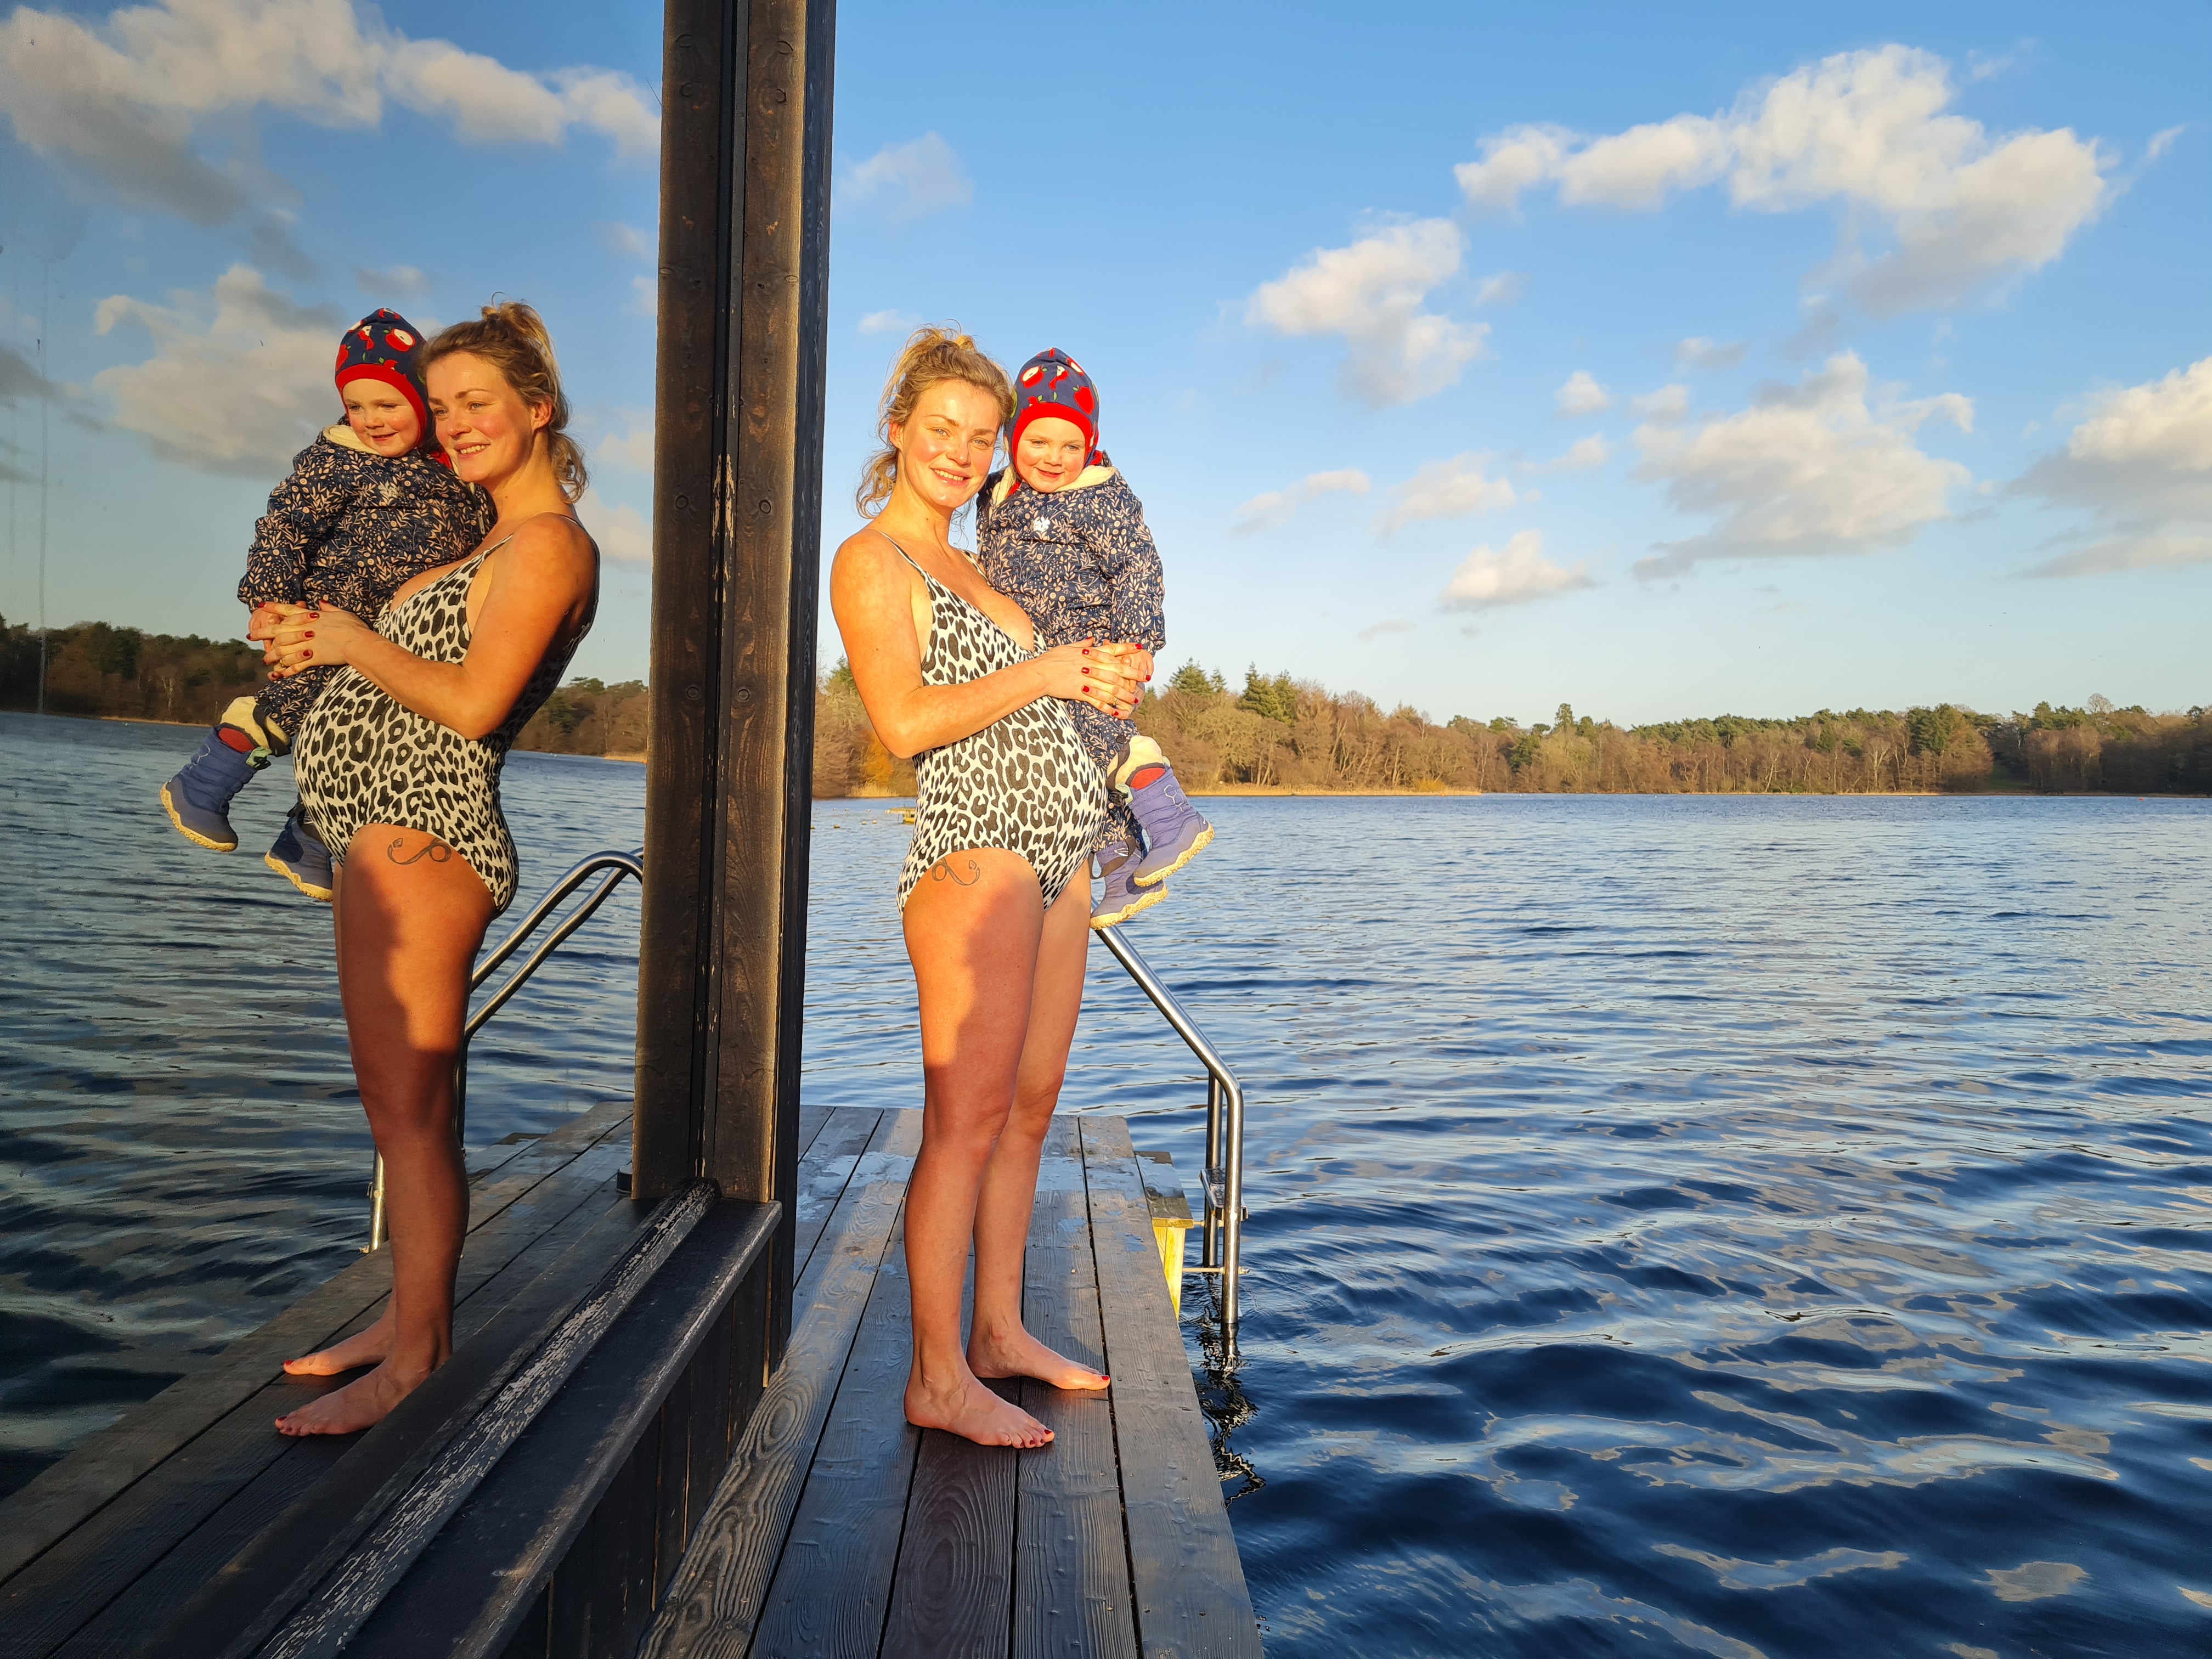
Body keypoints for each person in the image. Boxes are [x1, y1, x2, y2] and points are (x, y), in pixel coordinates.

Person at [253, 302, 600, 1436]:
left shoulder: (549, 546)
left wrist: (351, 641)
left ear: (537, 411)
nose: (451, 426)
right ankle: (405, 1321)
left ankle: (419, 1358)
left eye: (476, 404)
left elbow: (472, 703)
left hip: (427, 829)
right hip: (380, 827)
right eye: (440, 405)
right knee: (407, 1108)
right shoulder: (489, 539)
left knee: (407, 1111)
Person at [830, 328, 1148, 1448]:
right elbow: (905, 722)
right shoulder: (875, 561)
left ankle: (1000, 1332)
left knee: (1027, 1109)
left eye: (980, 436)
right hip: (977, 848)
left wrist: (1105, 673)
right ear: (898, 431)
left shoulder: (988, 558)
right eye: (941, 431)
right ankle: (934, 1373)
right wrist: (1047, 669)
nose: (962, 454)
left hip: (1062, 851)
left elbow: (1050, 680)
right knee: (962, 1121)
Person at [159, 308, 490, 900]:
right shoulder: (338, 460)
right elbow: (284, 529)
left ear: (420, 398)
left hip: (394, 634)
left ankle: (308, 839)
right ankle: (202, 786)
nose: (370, 420)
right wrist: (270, 598)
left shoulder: (455, 471)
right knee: (293, 706)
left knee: (368, 736)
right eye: (356, 406)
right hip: (330, 612)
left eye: (387, 405)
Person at [977, 348, 1213, 927]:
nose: (1054, 458)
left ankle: (1170, 816)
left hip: (1091, 649)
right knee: (1074, 766)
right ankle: (1121, 864)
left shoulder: (1100, 497)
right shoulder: (997, 496)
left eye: (1070, 446)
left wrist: (1137, 640)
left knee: (1099, 739)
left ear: (1090, 445)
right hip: (1037, 658)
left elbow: (1138, 566)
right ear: (1013, 439)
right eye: (1038, 442)